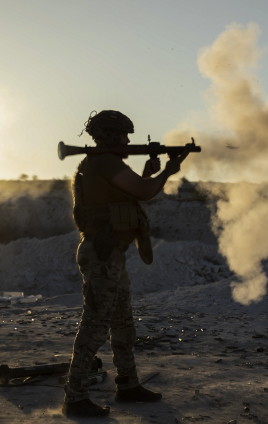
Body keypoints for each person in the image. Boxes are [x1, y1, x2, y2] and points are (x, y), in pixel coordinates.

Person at [63, 110, 190, 418]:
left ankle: (128, 384)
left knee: (123, 325)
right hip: (103, 256)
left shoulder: (100, 165)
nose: (128, 140)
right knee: (95, 326)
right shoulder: (104, 163)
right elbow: (145, 192)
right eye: (123, 135)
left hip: (111, 255)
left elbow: (131, 192)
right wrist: (168, 171)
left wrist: (148, 170)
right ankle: (76, 397)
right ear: (108, 136)